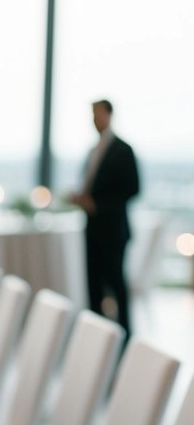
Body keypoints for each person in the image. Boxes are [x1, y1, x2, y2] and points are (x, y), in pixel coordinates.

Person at [69, 99, 139, 337]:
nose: (94, 120)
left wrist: (97, 204)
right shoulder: (93, 150)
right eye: (92, 115)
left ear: (109, 115)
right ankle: (95, 336)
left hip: (113, 229)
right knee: (93, 285)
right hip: (92, 228)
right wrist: (81, 198)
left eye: (98, 114)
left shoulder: (123, 150)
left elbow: (133, 189)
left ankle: (124, 337)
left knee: (117, 285)